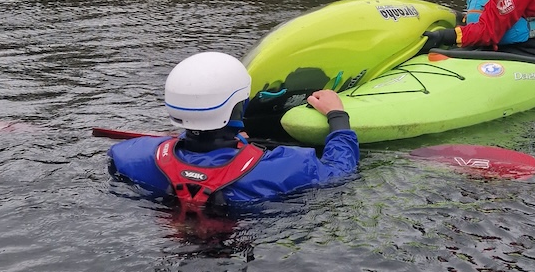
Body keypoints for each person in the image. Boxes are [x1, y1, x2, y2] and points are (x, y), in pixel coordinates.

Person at [108, 51, 359, 212]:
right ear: (239, 106)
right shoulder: (290, 166)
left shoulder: (129, 155)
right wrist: (337, 116)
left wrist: (237, 143)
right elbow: (340, 170)